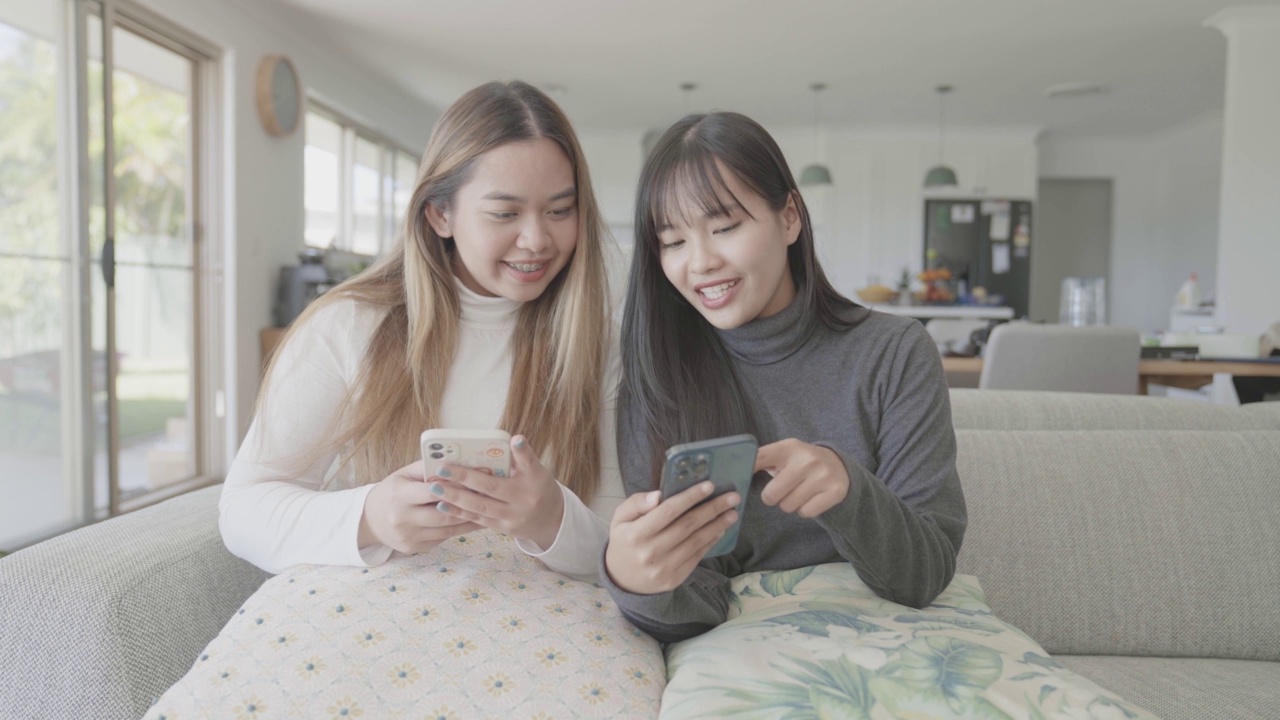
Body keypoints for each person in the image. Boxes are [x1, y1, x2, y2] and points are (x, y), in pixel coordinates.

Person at [220, 81, 623, 579]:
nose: (537, 239)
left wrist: (550, 521)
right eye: (505, 213)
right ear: (440, 215)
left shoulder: (600, 341)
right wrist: (370, 518)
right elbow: (241, 512)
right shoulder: (347, 326)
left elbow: (618, 551)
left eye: (561, 211)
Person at [601, 112, 967, 643]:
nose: (700, 262)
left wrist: (848, 490)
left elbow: (925, 576)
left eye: (725, 227)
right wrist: (637, 580)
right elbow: (698, 605)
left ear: (790, 217)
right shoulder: (658, 375)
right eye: (673, 242)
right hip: (744, 650)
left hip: (896, 636)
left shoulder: (894, 353)